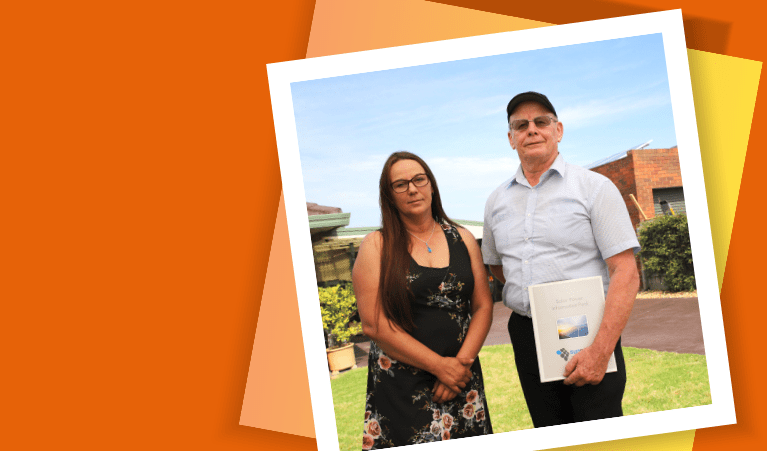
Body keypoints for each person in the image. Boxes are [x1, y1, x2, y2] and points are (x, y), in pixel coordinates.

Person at [482, 92, 640, 427]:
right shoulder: (496, 201)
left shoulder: (595, 188)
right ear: (511, 139)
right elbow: (499, 268)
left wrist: (600, 351)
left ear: (559, 130)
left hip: (588, 331)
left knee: (600, 430)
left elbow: (625, 270)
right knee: (547, 428)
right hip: (527, 335)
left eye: (541, 122)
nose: (532, 130)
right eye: (521, 125)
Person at [353, 151, 494, 448]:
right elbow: (373, 324)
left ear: (431, 185)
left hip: (460, 379)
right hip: (403, 388)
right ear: (389, 196)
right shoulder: (376, 245)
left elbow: (482, 305)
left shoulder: (463, 238)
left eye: (419, 179)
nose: (413, 189)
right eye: (400, 184)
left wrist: (459, 365)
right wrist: (440, 367)